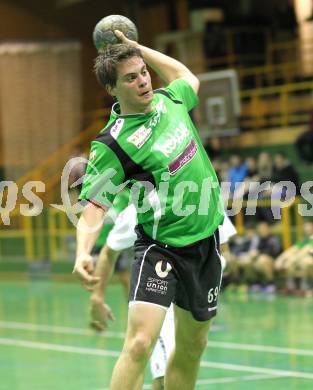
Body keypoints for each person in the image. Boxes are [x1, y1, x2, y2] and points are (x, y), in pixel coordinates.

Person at [73, 29, 224, 390]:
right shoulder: (113, 143)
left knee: (192, 345)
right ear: (112, 89)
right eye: (130, 77)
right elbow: (94, 205)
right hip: (162, 248)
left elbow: (188, 77)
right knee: (139, 344)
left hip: (205, 244)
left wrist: (139, 48)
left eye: (143, 72)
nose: (142, 81)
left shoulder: (170, 100)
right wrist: (82, 251)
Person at [89, 202, 236, 389]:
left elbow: (225, 251)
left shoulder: (206, 197)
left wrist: (219, 265)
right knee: (148, 356)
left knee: (192, 349)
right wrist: (97, 298)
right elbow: (109, 251)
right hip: (158, 299)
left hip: (196, 291)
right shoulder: (142, 206)